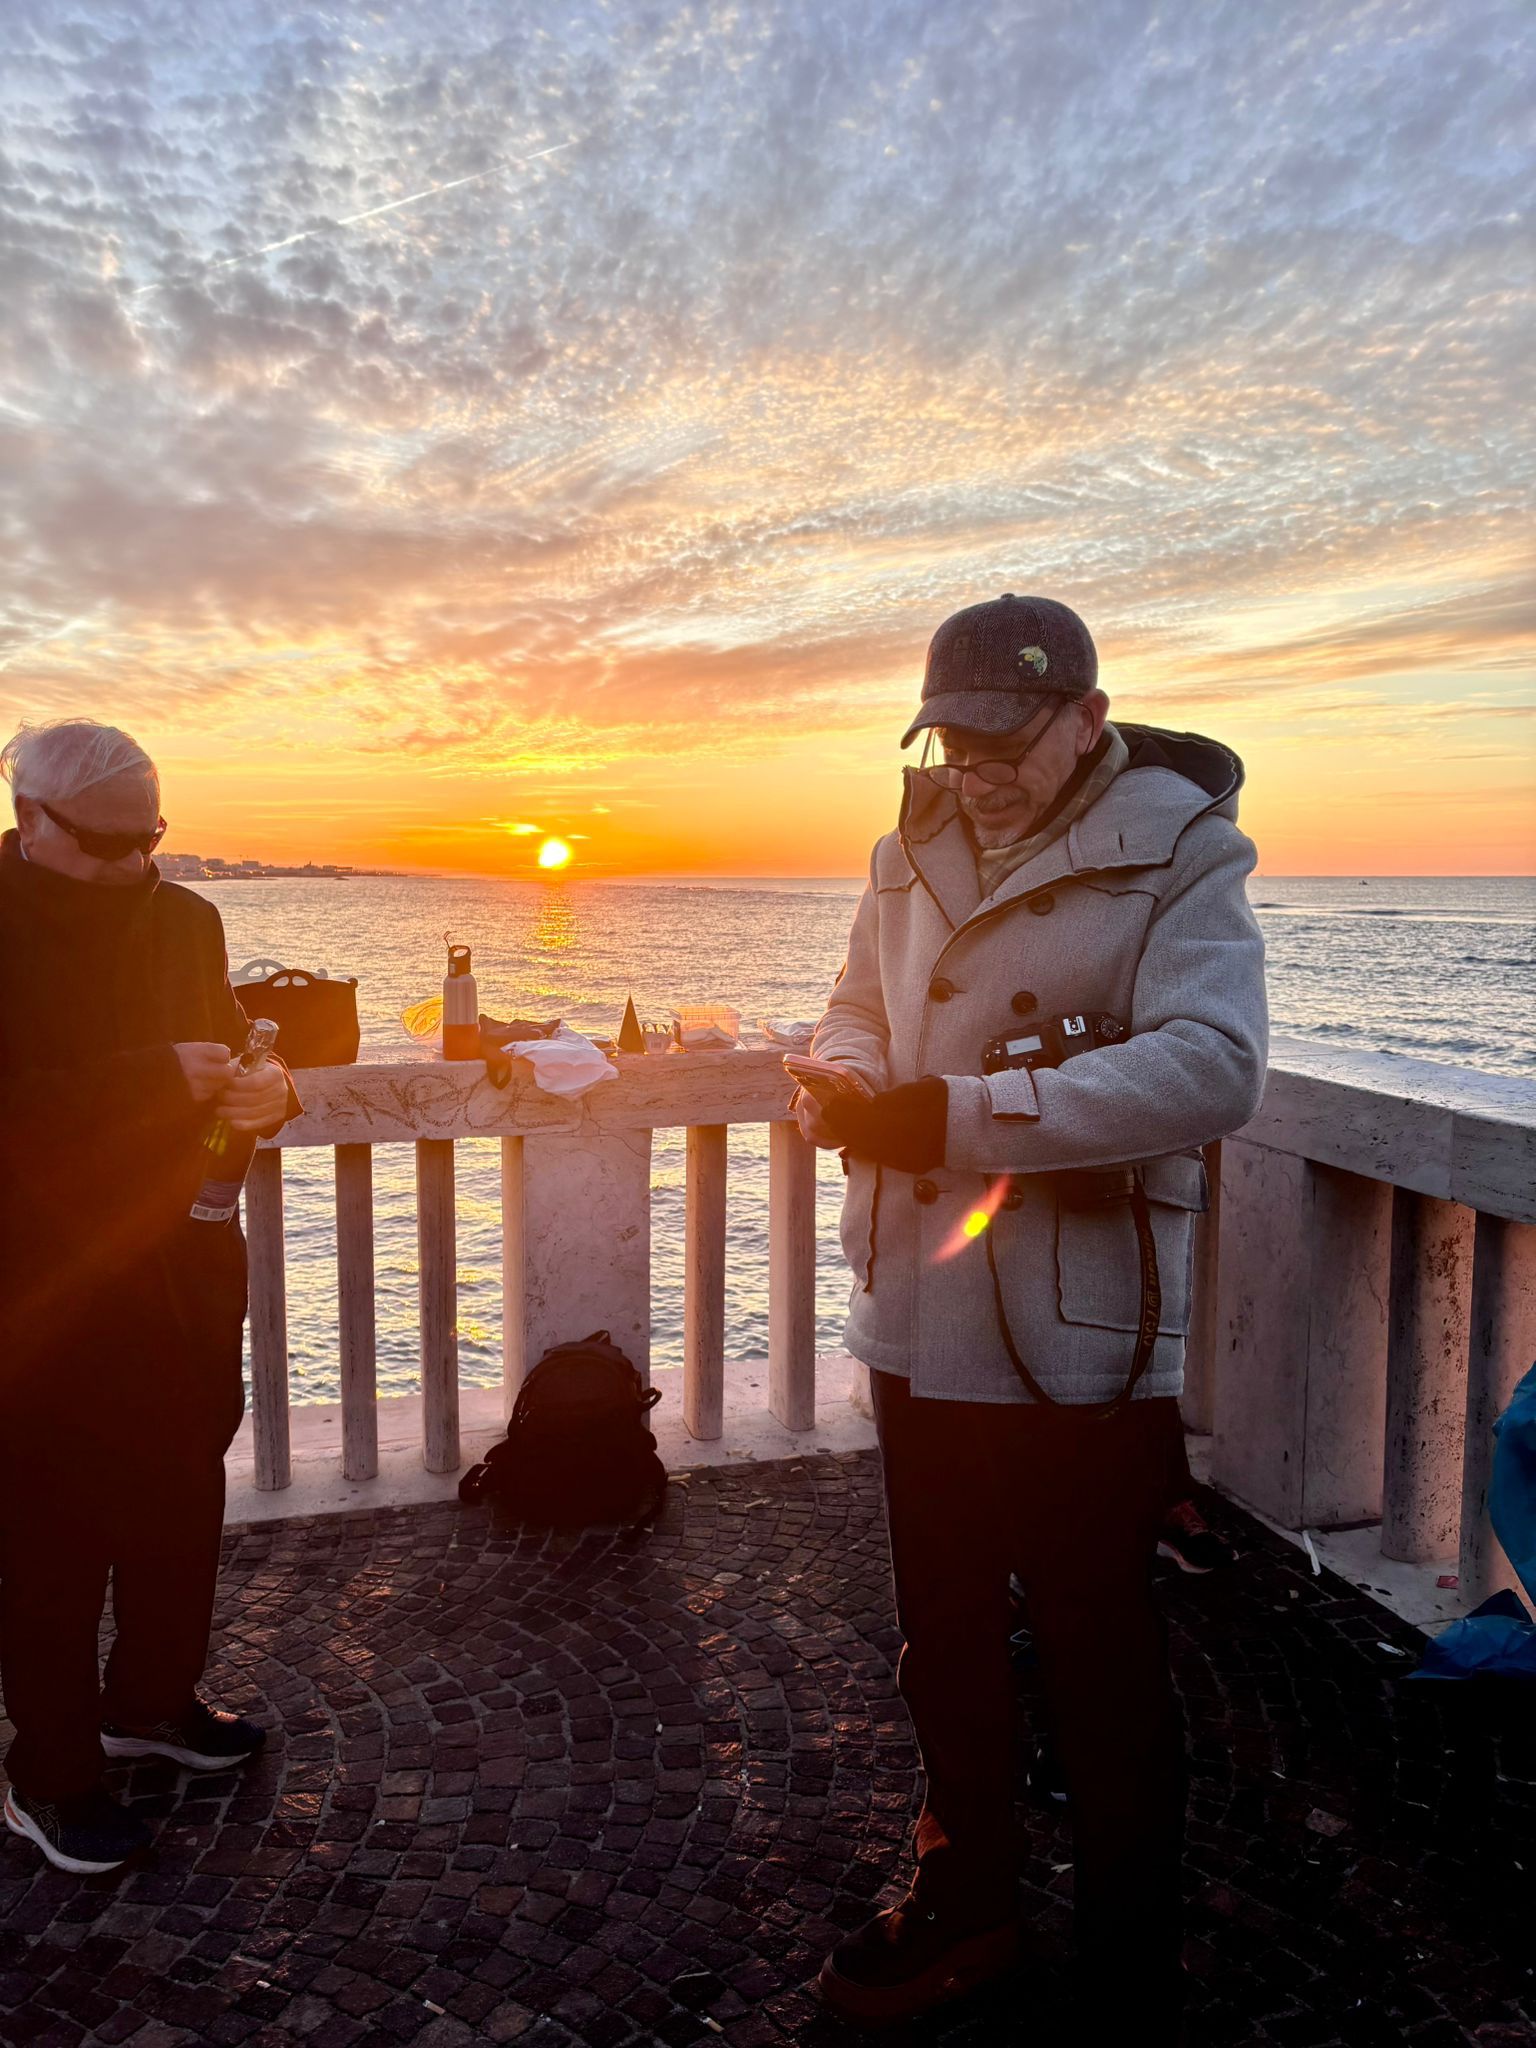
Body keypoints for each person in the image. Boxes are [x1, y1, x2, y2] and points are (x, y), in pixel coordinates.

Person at [797, 595, 1267, 2036]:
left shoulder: (1185, 845)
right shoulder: (905, 844)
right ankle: (969, 1900)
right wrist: (845, 1075)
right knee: (939, 1630)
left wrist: (954, 1112)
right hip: (915, 1307)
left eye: (1005, 737)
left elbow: (1213, 1069)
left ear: (1087, 716)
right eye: (951, 736)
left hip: (1076, 1327)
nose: (976, 768)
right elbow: (853, 1005)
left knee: (1095, 1640)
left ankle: (1131, 1946)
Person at [0, 719, 299, 1874]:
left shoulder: (189, 917)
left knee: (182, 1496)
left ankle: (154, 1701)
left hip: (183, 1262)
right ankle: (52, 1769)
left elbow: (233, 1050)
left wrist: (270, 1090)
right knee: (51, 1535)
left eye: (155, 839)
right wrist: (142, 1080)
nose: (142, 865)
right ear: (32, 817)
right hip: (39, 1282)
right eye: (114, 843)